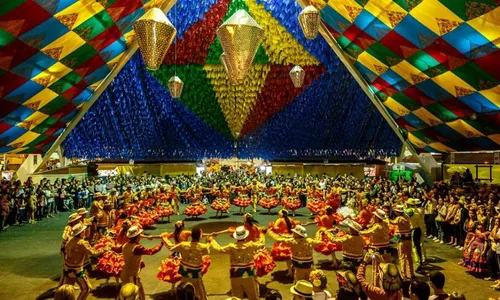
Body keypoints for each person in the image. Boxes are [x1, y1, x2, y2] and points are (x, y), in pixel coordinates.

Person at [209, 226, 263, 300]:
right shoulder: (250, 245)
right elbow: (261, 244)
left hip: (235, 275)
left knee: (236, 297)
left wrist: (212, 240)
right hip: (249, 274)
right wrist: (261, 234)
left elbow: (219, 249)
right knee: (253, 296)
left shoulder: (231, 247)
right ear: (245, 236)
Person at [63, 223, 107, 300]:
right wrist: (104, 249)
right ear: (81, 233)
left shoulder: (70, 240)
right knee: (87, 289)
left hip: (67, 267)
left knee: (67, 291)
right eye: (84, 231)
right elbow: (93, 253)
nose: (85, 232)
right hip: (76, 270)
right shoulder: (82, 243)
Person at [165, 227, 210, 300]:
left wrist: (165, 239)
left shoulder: (183, 245)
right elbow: (207, 252)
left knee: (183, 291)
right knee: (200, 294)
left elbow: (171, 247)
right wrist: (208, 241)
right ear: (200, 236)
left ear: (191, 236)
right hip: (196, 276)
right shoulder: (203, 247)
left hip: (185, 274)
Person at [121, 226, 163, 300]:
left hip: (124, 273)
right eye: (140, 235)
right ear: (137, 237)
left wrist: (147, 237)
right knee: (134, 296)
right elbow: (151, 251)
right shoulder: (137, 248)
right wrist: (161, 244)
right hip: (132, 276)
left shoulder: (125, 245)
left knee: (135, 292)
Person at [390, 204, 414, 278]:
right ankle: (411, 273)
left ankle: (404, 275)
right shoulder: (407, 217)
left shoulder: (399, 218)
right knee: (409, 257)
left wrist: (387, 218)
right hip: (408, 239)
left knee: (402, 257)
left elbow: (392, 222)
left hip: (401, 240)